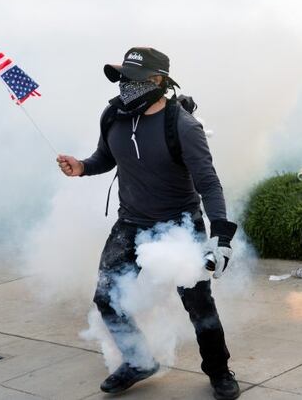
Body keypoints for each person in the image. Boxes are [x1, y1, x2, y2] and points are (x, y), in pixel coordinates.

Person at [56, 47, 240, 400]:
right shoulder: (113, 115)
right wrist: (81, 166)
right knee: (106, 298)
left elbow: (209, 183)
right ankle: (138, 361)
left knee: (198, 303)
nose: (124, 85)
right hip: (130, 222)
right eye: (121, 77)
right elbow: (105, 158)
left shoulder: (183, 126)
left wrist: (220, 236)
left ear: (157, 81)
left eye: (132, 79)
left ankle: (218, 370)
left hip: (179, 225)